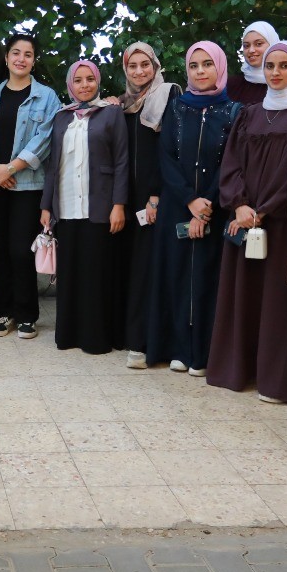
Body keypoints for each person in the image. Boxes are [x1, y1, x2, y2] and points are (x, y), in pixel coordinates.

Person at [206, 40, 287, 403]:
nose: (275, 72)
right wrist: (239, 204)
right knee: (243, 294)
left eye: (284, 66)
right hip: (245, 221)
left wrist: (264, 209)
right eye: (270, 66)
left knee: (279, 301)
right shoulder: (250, 113)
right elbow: (231, 162)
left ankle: (277, 379)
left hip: (284, 221)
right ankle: (238, 370)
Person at [147, 42, 241, 374]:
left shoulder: (234, 111)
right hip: (177, 206)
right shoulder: (176, 108)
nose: (200, 71)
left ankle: (203, 354)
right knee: (175, 275)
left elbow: (231, 162)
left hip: (215, 209)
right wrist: (189, 199)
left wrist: (206, 205)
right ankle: (177, 348)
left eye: (207, 64)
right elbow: (166, 157)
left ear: (220, 67)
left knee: (207, 279)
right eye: (194, 65)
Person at [0, 34, 61, 339]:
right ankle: (4, 313)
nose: (21, 59)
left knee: (21, 250)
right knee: (1, 248)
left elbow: (46, 138)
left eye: (28, 54)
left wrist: (10, 168)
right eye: (16, 53)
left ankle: (27, 314)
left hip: (28, 185)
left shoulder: (47, 97)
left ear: (34, 60)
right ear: (6, 58)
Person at [40, 60, 129, 355]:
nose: (84, 85)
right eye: (78, 80)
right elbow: (53, 165)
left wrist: (118, 204)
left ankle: (96, 337)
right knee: (70, 273)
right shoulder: (61, 117)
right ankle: (69, 335)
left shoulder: (111, 113)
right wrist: (46, 206)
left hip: (99, 205)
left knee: (96, 273)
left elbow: (121, 161)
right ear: (70, 85)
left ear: (98, 81)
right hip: (66, 205)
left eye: (90, 79)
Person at [116, 42, 179, 368]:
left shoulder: (168, 96)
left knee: (148, 271)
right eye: (132, 65)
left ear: (155, 66)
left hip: (156, 199)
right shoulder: (124, 103)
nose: (139, 71)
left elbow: (170, 150)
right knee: (132, 267)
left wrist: (156, 196)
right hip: (128, 199)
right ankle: (130, 336)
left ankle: (145, 344)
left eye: (145, 64)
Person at [226, 21, 278, 106]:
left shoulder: (285, 83)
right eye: (246, 46)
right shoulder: (232, 85)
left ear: (272, 45)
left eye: (258, 44)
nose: (251, 50)